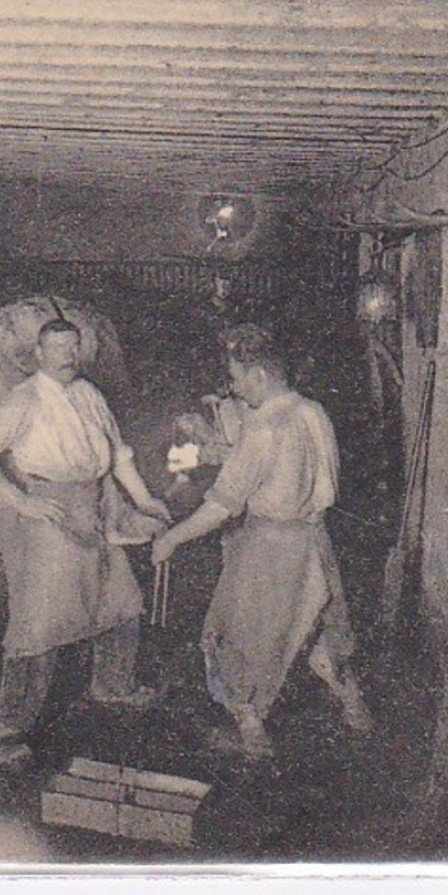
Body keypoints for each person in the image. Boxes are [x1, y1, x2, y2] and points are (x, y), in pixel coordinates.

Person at [151, 324, 373, 760]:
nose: (234, 388)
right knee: (319, 624)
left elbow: (222, 506)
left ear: (259, 377)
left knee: (238, 634)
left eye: (236, 379)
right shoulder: (314, 412)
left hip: (268, 547)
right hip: (314, 539)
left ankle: (252, 732)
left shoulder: (262, 427)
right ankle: (355, 707)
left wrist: (172, 539)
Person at [0, 319, 172, 770]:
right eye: (56, 348)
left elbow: (118, 455)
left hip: (95, 506)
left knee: (122, 603)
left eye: (72, 347)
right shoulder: (24, 399)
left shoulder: (89, 395)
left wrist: (145, 499)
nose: (66, 355)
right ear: (39, 353)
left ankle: (113, 686)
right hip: (50, 513)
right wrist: (20, 499)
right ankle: (8, 736)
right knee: (38, 627)